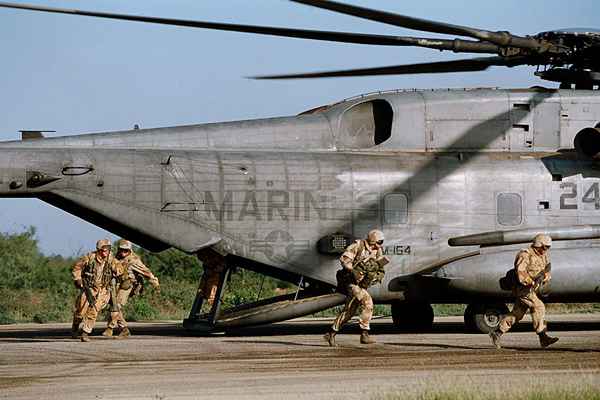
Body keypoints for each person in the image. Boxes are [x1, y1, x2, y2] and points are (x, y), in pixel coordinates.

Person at [489, 233, 559, 349]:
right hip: (523, 289)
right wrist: (530, 281)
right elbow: (520, 273)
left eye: (548, 247)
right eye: (545, 247)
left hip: (532, 290)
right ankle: (543, 337)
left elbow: (547, 268)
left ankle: (497, 333)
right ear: (538, 244)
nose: (546, 249)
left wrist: (546, 276)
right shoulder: (525, 254)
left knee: (517, 314)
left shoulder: (544, 255)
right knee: (539, 306)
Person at [324, 229, 389, 346]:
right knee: (368, 303)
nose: (379, 245)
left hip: (362, 284)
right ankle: (364, 334)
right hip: (352, 282)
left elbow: (380, 267)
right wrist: (353, 271)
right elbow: (344, 260)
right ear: (373, 240)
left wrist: (376, 276)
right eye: (379, 242)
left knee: (349, 311)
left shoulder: (377, 250)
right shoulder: (357, 246)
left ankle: (331, 333)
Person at [71, 239, 130, 342]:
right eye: (102, 250)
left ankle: (85, 332)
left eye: (107, 250)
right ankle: (75, 326)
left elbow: (120, 269)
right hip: (89, 288)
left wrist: (119, 272)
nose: (104, 253)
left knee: (94, 310)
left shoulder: (111, 259)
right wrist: (78, 279)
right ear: (98, 250)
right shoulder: (89, 257)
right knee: (80, 311)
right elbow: (77, 268)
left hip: (103, 290)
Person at [103, 239, 160, 337]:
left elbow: (147, 272)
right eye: (121, 250)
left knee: (116, 307)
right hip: (115, 285)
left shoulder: (134, 261)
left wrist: (156, 284)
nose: (123, 252)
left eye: (126, 251)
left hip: (127, 286)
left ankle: (113, 328)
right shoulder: (115, 258)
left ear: (130, 250)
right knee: (113, 306)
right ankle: (119, 329)